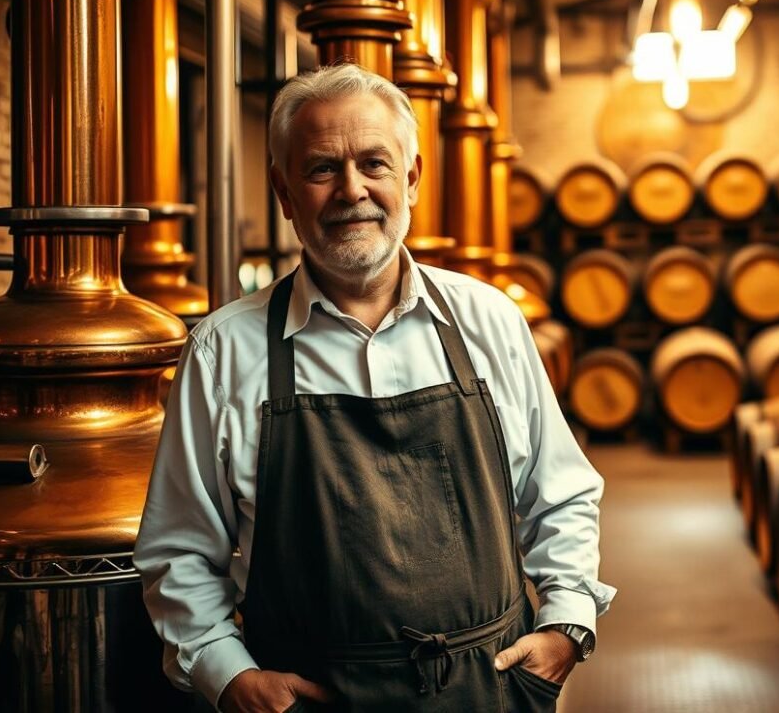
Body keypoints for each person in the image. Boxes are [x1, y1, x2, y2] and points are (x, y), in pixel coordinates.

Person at [133, 63, 614, 713]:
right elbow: (180, 550)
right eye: (321, 168)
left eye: (374, 163)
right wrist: (231, 675)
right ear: (284, 191)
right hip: (311, 700)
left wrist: (566, 625)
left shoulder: (488, 321)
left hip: (486, 691)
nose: (350, 189)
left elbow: (560, 494)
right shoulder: (223, 350)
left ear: (411, 177)